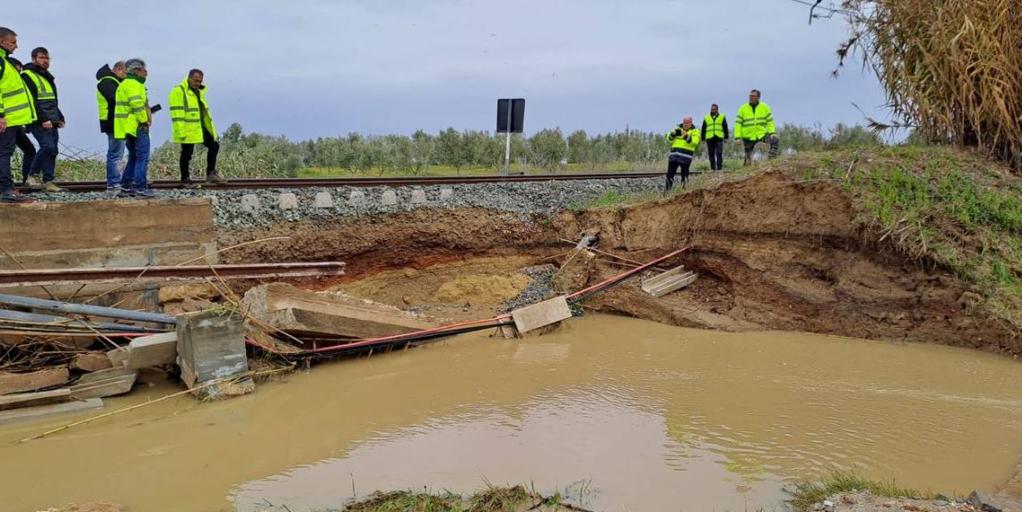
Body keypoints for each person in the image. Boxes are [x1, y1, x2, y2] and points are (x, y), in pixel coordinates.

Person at [21, 47, 65, 192]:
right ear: (34, 59)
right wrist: (42, 118)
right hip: (39, 119)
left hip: (51, 118)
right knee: (47, 147)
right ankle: (31, 176)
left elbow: (51, 100)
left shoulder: (45, 75)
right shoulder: (28, 75)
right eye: (41, 58)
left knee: (53, 151)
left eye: (47, 58)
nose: (45, 61)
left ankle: (48, 181)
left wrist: (59, 116)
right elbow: (31, 100)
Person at [170, 69, 223, 187]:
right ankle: (185, 179)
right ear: (189, 78)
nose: (198, 83)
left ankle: (211, 174)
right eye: (195, 80)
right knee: (187, 153)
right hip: (187, 128)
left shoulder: (199, 91)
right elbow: (177, 113)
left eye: (200, 81)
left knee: (214, 145)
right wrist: (180, 131)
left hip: (200, 127)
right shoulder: (178, 91)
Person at [0, 27, 35, 203]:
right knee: (4, 153)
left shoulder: (6, 62)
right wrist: (1, 115)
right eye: (13, 42)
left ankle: (7, 188)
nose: (16, 46)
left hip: (13, 120)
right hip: (6, 119)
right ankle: (6, 190)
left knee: (13, 151)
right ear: (2, 42)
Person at [113, 58, 153, 198]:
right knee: (142, 157)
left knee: (134, 157)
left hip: (127, 128)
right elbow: (136, 105)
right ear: (136, 70)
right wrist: (144, 121)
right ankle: (141, 188)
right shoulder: (134, 84)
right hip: (136, 126)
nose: (146, 73)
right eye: (144, 69)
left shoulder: (124, 84)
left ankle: (126, 187)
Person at [96, 61, 126, 193]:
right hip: (113, 122)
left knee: (117, 153)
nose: (127, 76)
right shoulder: (107, 82)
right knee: (115, 154)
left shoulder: (113, 82)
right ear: (119, 69)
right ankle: (113, 182)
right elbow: (116, 100)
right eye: (126, 72)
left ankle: (116, 181)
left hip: (116, 122)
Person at [7, 57, 36, 184]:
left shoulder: (19, 82)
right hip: (7, 124)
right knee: (6, 153)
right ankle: (6, 182)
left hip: (16, 125)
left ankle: (26, 179)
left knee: (30, 150)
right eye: (16, 70)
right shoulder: (7, 81)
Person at [734, 89, 778, 166]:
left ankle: (772, 158)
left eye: (753, 96)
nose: (751, 97)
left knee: (775, 139)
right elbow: (738, 124)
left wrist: (772, 132)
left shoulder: (765, 107)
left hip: (761, 134)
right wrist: (737, 137)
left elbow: (770, 121)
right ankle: (746, 168)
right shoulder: (742, 108)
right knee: (747, 161)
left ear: (758, 97)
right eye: (750, 96)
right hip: (748, 137)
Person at [664, 116, 701, 192]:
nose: (685, 124)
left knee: (684, 175)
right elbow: (669, 139)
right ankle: (667, 191)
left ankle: (684, 192)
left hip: (685, 157)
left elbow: (695, 142)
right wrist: (673, 134)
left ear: (691, 123)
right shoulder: (677, 128)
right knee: (670, 175)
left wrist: (685, 135)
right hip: (674, 156)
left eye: (687, 123)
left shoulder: (695, 131)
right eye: (684, 122)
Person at [701, 104, 729, 171]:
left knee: (719, 153)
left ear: (717, 110)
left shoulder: (722, 117)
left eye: (714, 109)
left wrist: (726, 137)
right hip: (710, 138)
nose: (712, 110)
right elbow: (703, 128)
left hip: (719, 137)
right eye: (711, 109)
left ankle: (719, 168)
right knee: (711, 154)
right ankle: (713, 169)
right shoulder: (706, 117)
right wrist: (702, 138)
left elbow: (725, 127)